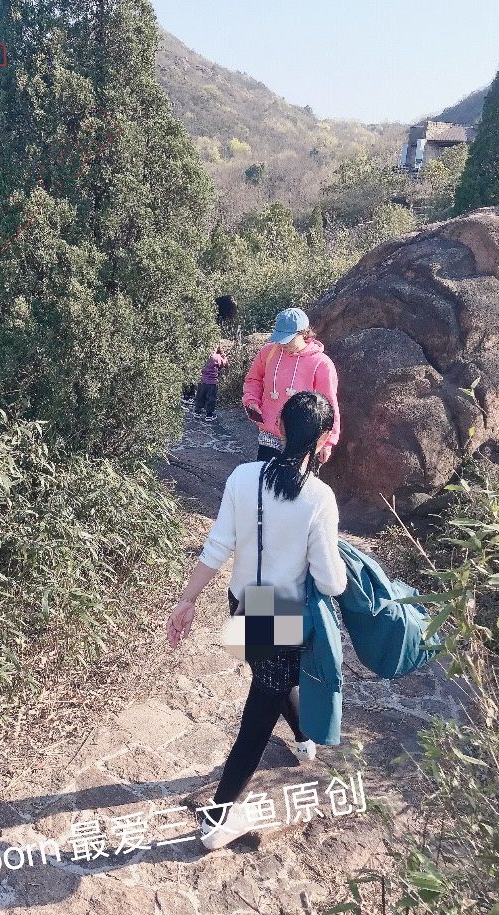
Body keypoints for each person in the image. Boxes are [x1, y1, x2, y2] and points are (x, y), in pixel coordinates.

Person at [165, 392, 347, 850]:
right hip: (282, 614)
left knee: (270, 680)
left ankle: (303, 738)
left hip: (243, 603)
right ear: (323, 440)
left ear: (279, 428)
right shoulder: (319, 498)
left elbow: (217, 547)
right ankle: (217, 821)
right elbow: (331, 581)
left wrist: (186, 600)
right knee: (256, 722)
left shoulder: (243, 477)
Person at [242, 308, 340, 464]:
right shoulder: (268, 352)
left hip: (303, 439)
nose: (282, 343)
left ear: (303, 333)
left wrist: (327, 442)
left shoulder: (321, 363)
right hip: (269, 435)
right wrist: (251, 400)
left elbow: (329, 405)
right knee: (266, 478)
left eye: (287, 338)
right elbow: (253, 380)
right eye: (279, 338)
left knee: (295, 480)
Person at [192, 345, 228, 422]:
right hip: (212, 382)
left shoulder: (204, 356)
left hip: (202, 381)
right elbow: (223, 364)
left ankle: (197, 412)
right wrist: (225, 358)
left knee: (200, 397)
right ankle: (209, 415)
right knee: (211, 399)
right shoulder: (217, 357)